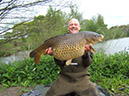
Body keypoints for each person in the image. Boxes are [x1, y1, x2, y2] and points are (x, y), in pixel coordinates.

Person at [45, 18, 99, 96]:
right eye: (71, 24)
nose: (73, 26)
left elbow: (88, 63)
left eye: (75, 24)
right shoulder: (62, 41)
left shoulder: (85, 40)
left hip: (82, 79)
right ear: (68, 27)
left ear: (79, 27)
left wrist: (85, 54)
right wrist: (55, 55)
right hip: (64, 79)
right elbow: (60, 64)